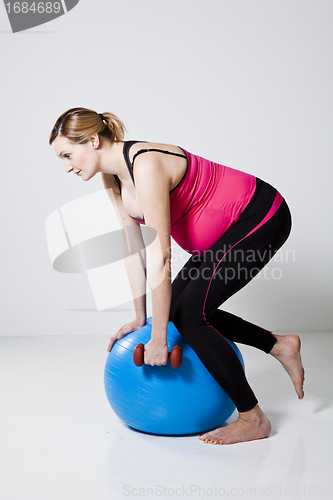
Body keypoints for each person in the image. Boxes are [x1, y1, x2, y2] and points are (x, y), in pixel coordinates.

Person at [50, 107, 305, 445]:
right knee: (176, 314)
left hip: (259, 216)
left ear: (93, 140)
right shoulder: (112, 178)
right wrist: (142, 319)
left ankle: (253, 418)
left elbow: (161, 255)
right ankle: (279, 345)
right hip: (223, 237)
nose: (67, 166)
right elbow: (134, 250)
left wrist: (158, 339)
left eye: (68, 154)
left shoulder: (146, 164)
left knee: (193, 317)